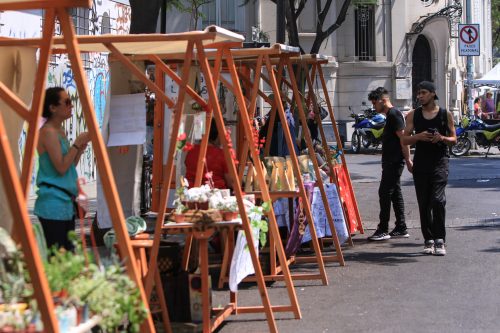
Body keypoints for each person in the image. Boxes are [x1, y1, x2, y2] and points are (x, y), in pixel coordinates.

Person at [401, 81, 456, 256]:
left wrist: (441, 138)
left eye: (423, 92)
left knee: (438, 200)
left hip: (440, 161)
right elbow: (404, 139)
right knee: (424, 202)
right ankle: (429, 239)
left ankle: (440, 239)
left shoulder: (445, 114)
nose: (420, 96)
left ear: (433, 94)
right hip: (421, 163)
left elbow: (454, 138)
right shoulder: (413, 115)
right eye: (419, 93)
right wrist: (418, 136)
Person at [34, 87, 90, 251]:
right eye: (66, 102)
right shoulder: (48, 133)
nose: (71, 105)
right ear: (52, 108)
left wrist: (78, 149)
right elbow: (61, 167)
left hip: (64, 202)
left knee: (67, 255)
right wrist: (77, 144)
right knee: (59, 256)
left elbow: (70, 167)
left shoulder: (59, 131)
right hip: (53, 203)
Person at [367, 87, 412, 241]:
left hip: (394, 161)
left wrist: (408, 160)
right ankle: (401, 227)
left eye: (375, 103)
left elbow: (404, 140)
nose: (374, 107)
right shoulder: (391, 115)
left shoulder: (394, 115)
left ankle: (383, 229)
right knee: (395, 193)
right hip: (391, 161)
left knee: (385, 192)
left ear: (382, 100)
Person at [184, 120, 232, 189]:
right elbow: (231, 182)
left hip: (191, 194)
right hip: (215, 194)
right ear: (217, 134)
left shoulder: (191, 152)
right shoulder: (222, 154)